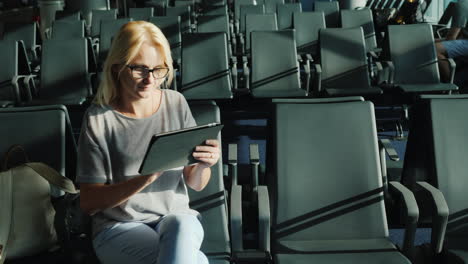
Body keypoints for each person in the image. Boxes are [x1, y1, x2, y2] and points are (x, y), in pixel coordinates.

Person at [76, 21, 219, 264]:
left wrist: (204, 165)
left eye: (158, 69)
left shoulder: (175, 103)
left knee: (182, 224)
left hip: (175, 218)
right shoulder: (99, 119)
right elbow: (89, 203)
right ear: (117, 68)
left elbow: (195, 184)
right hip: (119, 226)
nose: (150, 79)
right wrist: (145, 178)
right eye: (139, 69)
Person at [436, 0, 468, 82]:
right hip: (464, 40)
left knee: (434, 49)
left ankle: (452, 86)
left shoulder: (462, 4)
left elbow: (451, 37)